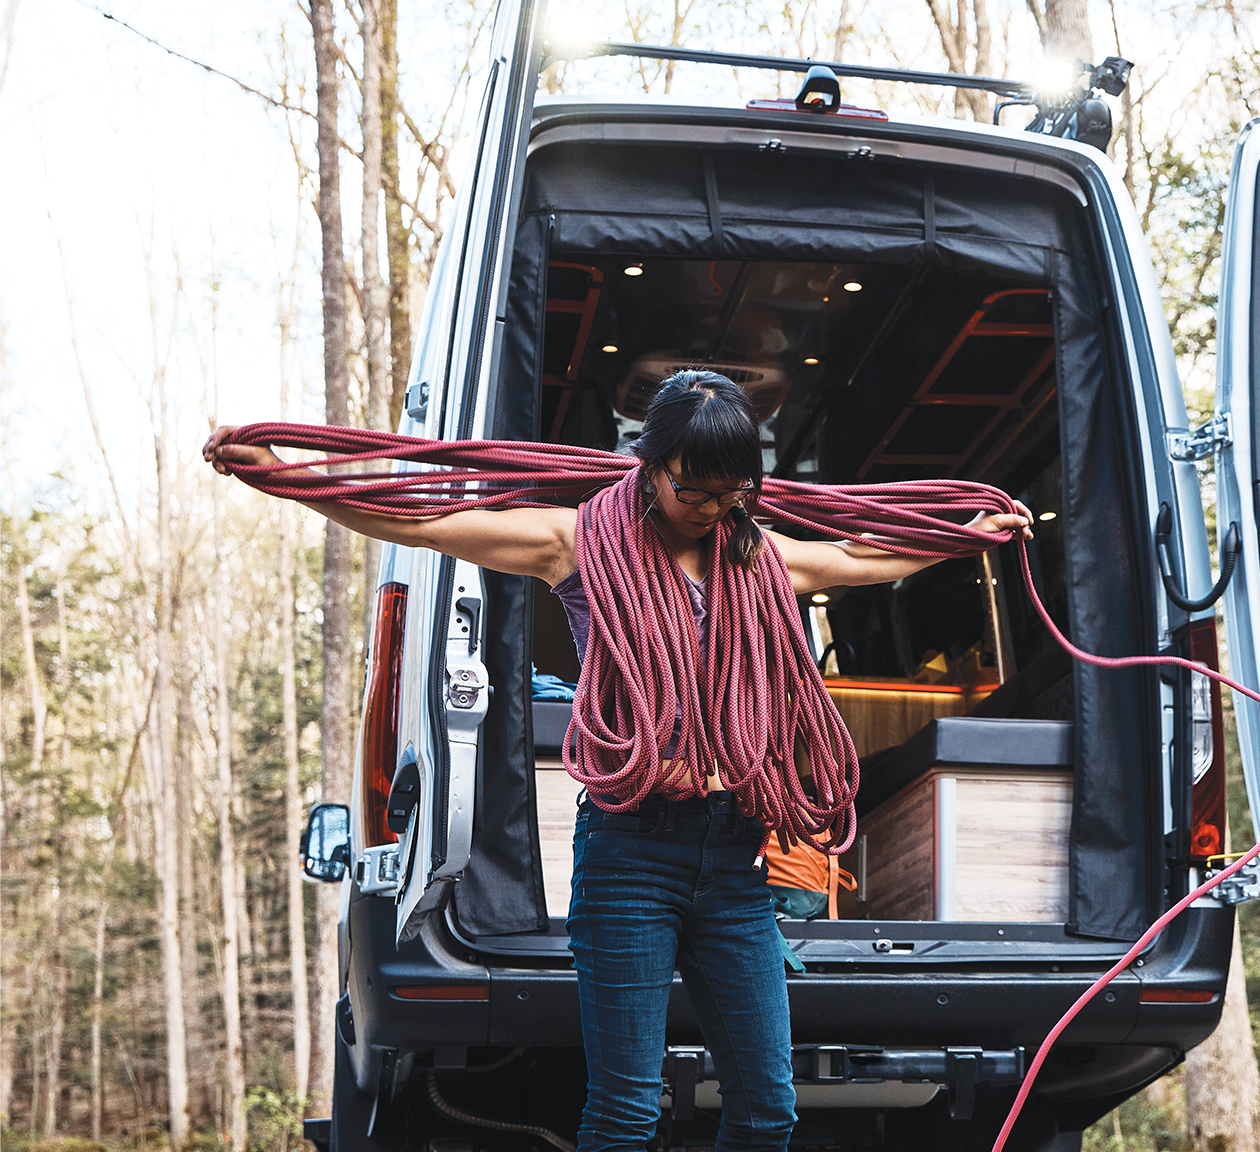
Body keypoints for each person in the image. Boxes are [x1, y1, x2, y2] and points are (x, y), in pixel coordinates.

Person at [204, 370, 1032, 1152]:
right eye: (693, 489)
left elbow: (856, 558)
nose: (712, 509)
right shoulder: (576, 540)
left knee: (768, 1107)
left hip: (734, 859)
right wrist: (284, 477)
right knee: (627, 1110)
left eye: (732, 492)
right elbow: (425, 519)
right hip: (631, 855)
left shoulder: (753, 554)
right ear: (649, 466)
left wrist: (966, 538)